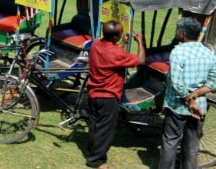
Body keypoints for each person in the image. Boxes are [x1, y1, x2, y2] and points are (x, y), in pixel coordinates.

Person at [85, 20, 145, 168]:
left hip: (93, 93)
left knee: (95, 125)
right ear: (115, 37)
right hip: (108, 97)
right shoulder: (116, 52)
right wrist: (141, 42)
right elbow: (141, 61)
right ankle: (96, 161)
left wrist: (122, 44)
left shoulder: (96, 45)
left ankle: (92, 151)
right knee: (106, 130)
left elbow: (113, 57)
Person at [158, 17, 216, 169]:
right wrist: (196, 94)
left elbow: (176, 82)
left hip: (177, 106)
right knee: (192, 145)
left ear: (182, 34)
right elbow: (213, 81)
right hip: (200, 107)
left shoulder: (178, 52)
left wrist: (190, 100)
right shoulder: (208, 52)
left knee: (170, 142)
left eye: (177, 30)